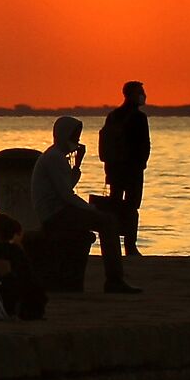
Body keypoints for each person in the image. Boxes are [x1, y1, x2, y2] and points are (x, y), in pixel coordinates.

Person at [32, 116, 140, 294]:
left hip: (59, 211)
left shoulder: (58, 157)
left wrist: (77, 164)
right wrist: (90, 209)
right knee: (108, 222)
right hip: (55, 214)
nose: (77, 140)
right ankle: (114, 279)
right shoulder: (54, 158)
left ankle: (115, 278)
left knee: (107, 220)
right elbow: (67, 195)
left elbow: (67, 186)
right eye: (75, 136)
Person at [99, 80, 152, 256]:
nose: (143, 95)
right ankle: (130, 246)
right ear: (131, 95)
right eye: (141, 92)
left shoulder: (113, 115)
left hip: (114, 169)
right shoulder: (139, 117)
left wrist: (109, 166)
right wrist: (142, 164)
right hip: (132, 170)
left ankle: (111, 245)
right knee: (131, 207)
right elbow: (144, 144)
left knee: (114, 207)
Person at [0, 212, 47, 320]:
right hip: (35, 301)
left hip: (25, 303)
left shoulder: (0, 249)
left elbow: (5, 279)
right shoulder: (13, 247)